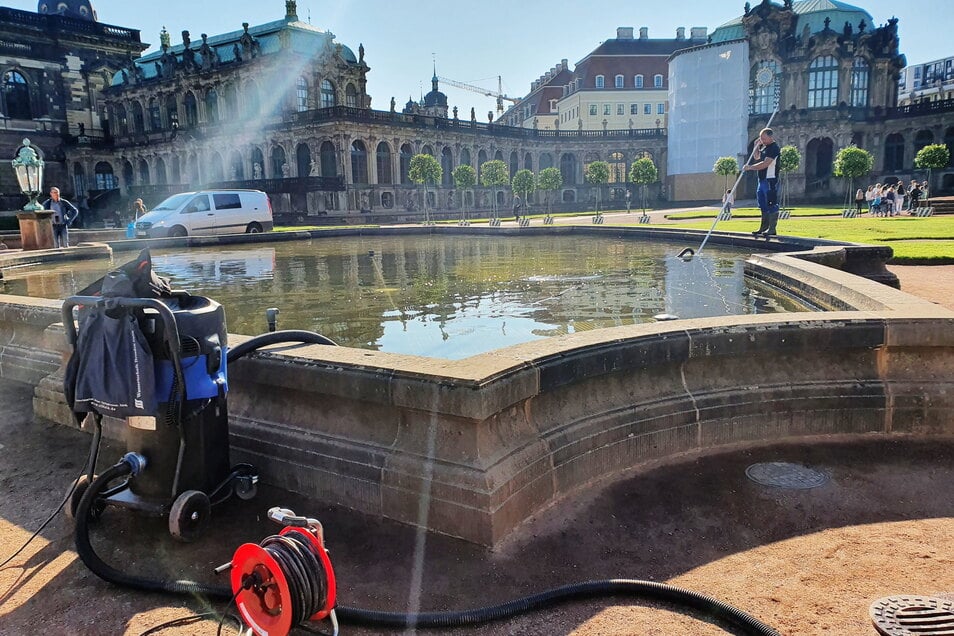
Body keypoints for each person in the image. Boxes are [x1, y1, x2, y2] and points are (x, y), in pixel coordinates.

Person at [742, 127, 781, 237]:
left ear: (770, 137)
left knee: (771, 203)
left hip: (770, 180)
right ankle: (764, 227)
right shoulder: (765, 147)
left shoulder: (774, 148)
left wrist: (750, 167)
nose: (762, 140)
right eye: (761, 138)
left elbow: (765, 164)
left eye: (764, 138)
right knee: (763, 204)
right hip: (762, 180)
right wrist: (756, 146)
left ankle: (772, 229)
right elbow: (757, 157)